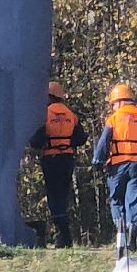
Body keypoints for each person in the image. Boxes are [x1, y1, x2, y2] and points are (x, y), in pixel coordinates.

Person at [90, 83, 137, 257]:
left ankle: (121, 235)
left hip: (118, 165)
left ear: (118, 102)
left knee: (117, 200)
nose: (112, 107)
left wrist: (97, 160)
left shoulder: (113, 119)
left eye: (112, 104)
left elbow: (104, 142)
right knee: (134, 200)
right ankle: (132, 230)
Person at [28, 81, 87, 248]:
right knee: (63, 195)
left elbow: (35, 141)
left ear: (49, 96)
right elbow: (81, 138)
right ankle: (64, 235)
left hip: (51, 158)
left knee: (54, 198)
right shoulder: (71, 115)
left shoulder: (44, 114)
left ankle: (64, 235)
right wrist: (67, 143)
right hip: (67, 158)